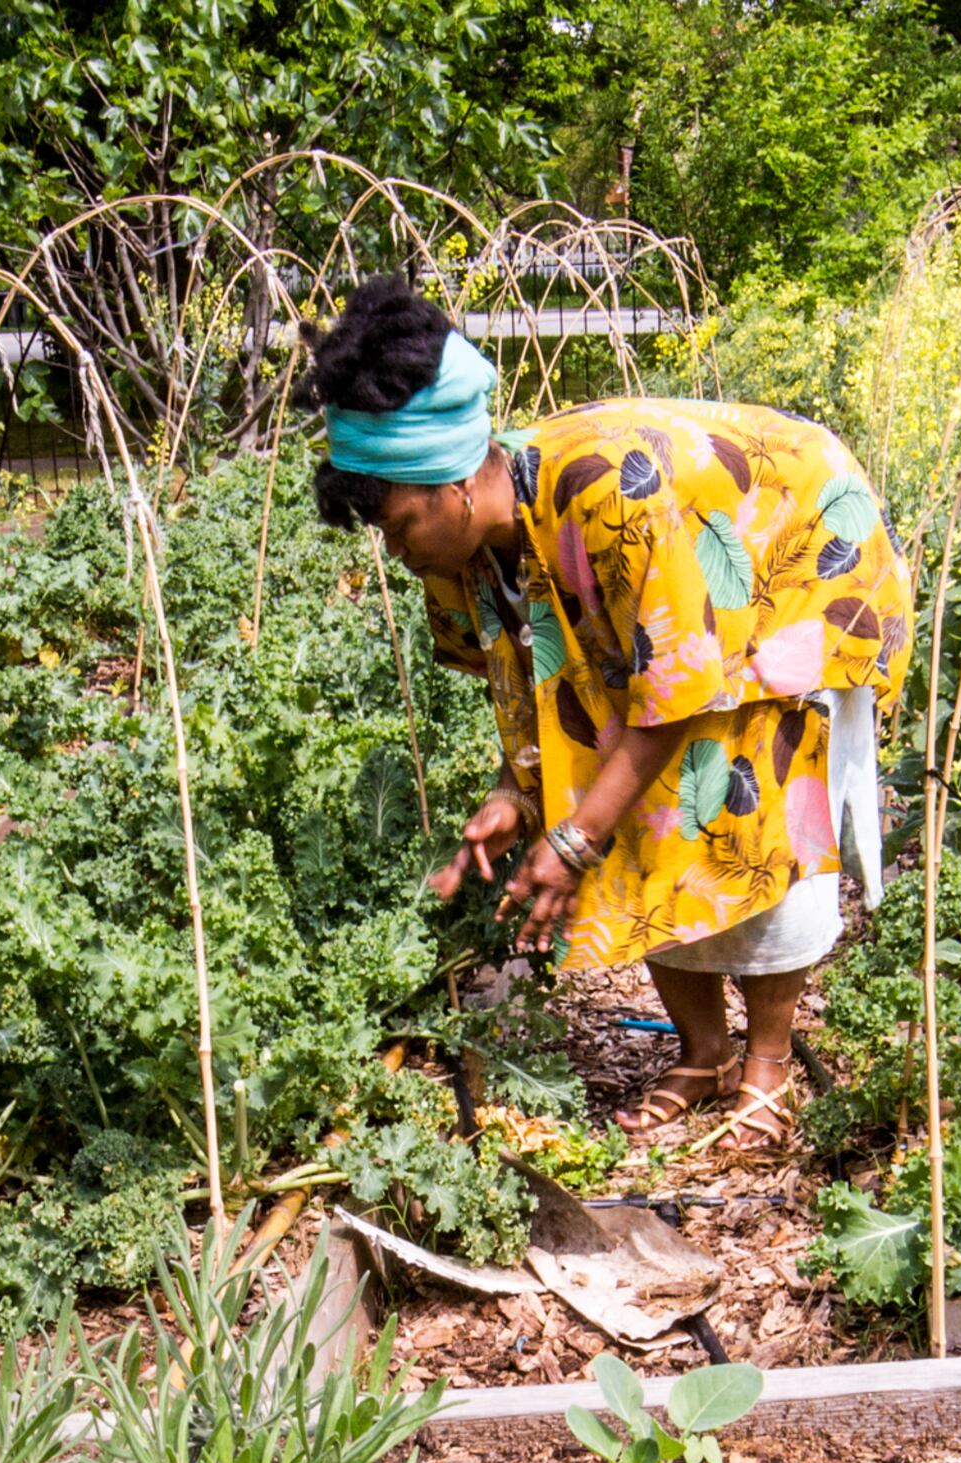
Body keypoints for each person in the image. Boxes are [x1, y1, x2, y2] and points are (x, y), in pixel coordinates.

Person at [303, 278, 911, 1147]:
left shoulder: (616, 496)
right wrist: (517, 799)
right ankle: (703, 1058)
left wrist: (572, 837)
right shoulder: (462, 549)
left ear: (452, 485)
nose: (393, 550)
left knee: (749, 803)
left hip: (798, 564)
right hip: (683, 627)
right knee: (622, 811)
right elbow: (529, 688)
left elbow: (676, 699)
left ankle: (767, 1066)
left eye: (397, 525)